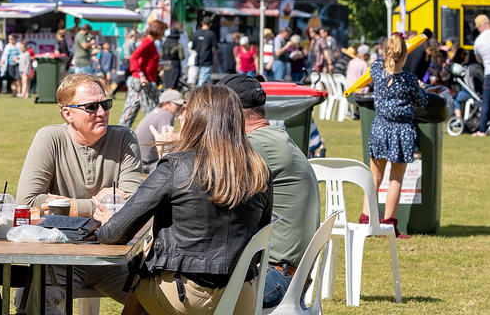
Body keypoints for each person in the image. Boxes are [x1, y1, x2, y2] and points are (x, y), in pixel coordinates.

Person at [92, 85, 273, 315]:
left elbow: (113, 234)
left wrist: (111, 220)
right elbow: (262, 231)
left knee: (142, 269)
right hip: (242, 295)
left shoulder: (176, 166)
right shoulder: (259, 169)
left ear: (196, 118)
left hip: (185, 297)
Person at [17, 74, 143, 314]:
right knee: (33, 305)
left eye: (105, 104)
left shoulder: (125, 138)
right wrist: (101, 204)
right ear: (67, 114)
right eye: (91, 107)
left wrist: (65, 206)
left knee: (158, 305)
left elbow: (135, 204)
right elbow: (28, 202)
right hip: (60, 257)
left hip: (114, 258)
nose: (102, 112)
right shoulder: (50, 137)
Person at [209, 74, 322, 308]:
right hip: (290, 276)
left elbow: (202, 189)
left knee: (189, 292)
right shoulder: (276, 137)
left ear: (229, 113)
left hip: (274, 278)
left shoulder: (255, 145)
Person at [365, 34, 427, 236]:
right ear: (405, 56)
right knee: (395, 180)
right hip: (401, 131)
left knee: (374, 178)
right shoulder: (409, 80)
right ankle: (389, 224)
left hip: (380, 128)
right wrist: (420, 87)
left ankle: (366, 219)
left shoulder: (376, 72)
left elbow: (377, 63)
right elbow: (423, 101)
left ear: (385, 52)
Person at [120, 20, 166, 127]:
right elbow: (134, 57)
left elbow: (144, 61)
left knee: (146, 110)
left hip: (146, 80)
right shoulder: (148, 42)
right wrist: (141, 76)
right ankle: (120, 134)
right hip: (142, 82)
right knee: (151, 111)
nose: (163, 35)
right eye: (162, 32)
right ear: (157, 31)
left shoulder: (150, 42)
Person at [134, 89, 185, 172]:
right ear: (166, 104)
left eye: (181, 105)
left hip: (138, 160)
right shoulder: (166, 115)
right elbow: (167, 143)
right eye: (177, 104)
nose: (180, 107)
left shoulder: (157, 112)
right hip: (147, 164)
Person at [189, 16, 218, 87]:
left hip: (198, 58)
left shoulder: (196, 33)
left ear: (202, 23)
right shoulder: (211, 34)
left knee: (207, 79)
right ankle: (199, 94)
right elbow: (215, 48)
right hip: (207, 59)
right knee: (204, 78)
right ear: (210, 24)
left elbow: (193, 47)